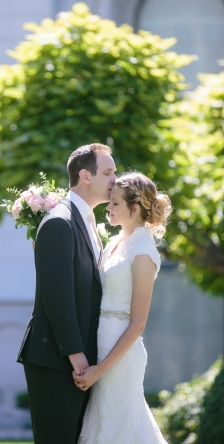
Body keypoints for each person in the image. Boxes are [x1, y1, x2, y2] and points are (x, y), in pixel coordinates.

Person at [17, 143, 117, 443]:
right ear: (85, 176)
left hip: (79, 362)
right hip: (57, 361)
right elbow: (56, 295)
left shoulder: (86, 221)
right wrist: (75, 353)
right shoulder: (60, 222)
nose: (115, 178)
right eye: (108, 172)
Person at [75, 173, 171, 443]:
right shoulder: (117, 241)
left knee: (120, 430)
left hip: (118, 358)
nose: (108, 208)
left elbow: (138, 323)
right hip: (100, 346)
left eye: (115, 203)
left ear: (135, 208)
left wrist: (100, 369)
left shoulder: (142, 252)